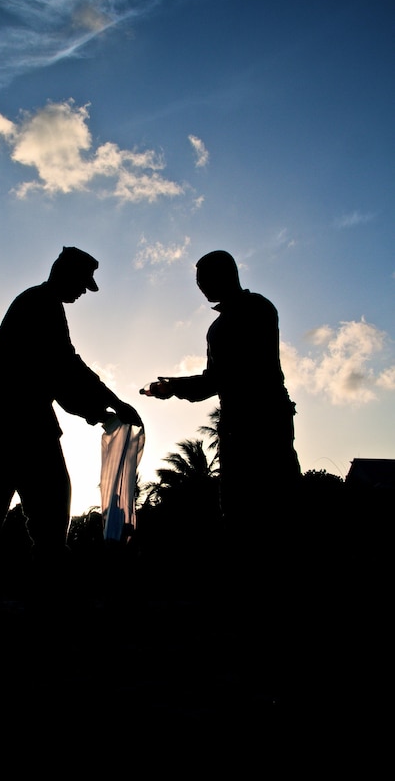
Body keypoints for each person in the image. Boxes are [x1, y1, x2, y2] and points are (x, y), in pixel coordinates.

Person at [141, 250, 301, 668]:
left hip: (263, 426)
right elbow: (216, 381)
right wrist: (174, 387)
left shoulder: (256, 310)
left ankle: (279, 614)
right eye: (198, 283)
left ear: (227, 275)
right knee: (239, 517)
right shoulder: (218, 326)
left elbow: (226, 377)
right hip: (236, 429)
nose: (201, 288)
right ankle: (252, 614)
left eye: (205, 280)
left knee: (276, 513)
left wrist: (176, 387)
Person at [0, 246, 142, 563]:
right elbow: (64, 368)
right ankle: (50, 593)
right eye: (82, 283)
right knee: (46, 511)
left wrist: (100, 412)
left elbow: (58, 375)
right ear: (66, 274)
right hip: (22, 426)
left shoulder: (39, 303)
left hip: (11, 423)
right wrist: (112, 403)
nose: (82, 292)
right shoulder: (41, 304)